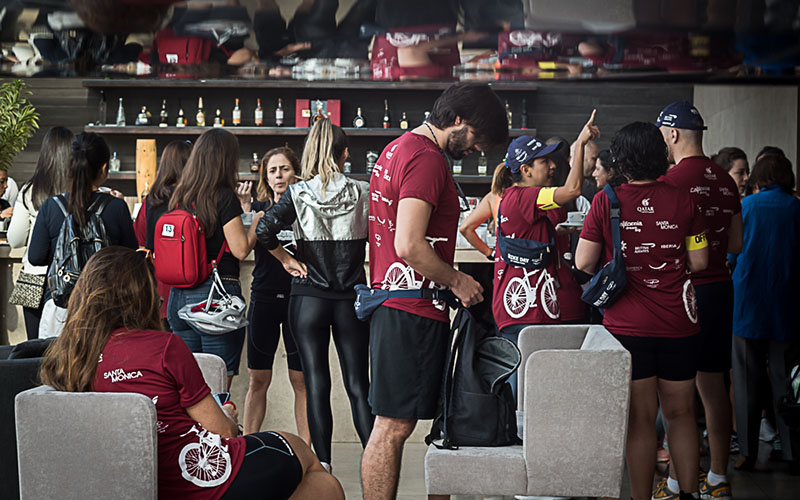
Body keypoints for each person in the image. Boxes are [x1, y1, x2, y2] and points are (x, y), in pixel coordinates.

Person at [39, 246, 344, 500]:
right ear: (141, 295)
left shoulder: (69, 357)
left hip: (139, 481)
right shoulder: (163, 347)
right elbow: (223, 432)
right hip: (199, 479)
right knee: (310, 464)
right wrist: (228, 415)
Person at [362, 82, 508, 500]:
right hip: (411, 307)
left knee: (392, 425)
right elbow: (409, 244)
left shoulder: (396, 149)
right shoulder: (426, 159)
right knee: (393, 427)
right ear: (457, 120)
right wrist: (458, 280)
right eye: (476, 137)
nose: (477, 149)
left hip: (395, 303)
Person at [575, 121, 709, 500]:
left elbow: (584, 262)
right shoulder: (685, 200)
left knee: (640, 420)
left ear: (620, 159)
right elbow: (699, 262)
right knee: (682, 414)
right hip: (679, 324)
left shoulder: (606, 201)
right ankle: (689, 494)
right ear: (660, 155)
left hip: (627, 327)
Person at [256, 119, 372, 471]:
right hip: (351, 299)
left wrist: (286, 259)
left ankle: (324, 468)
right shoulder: (363, 191)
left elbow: (264, 229)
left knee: (317, 384)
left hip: (308, 299)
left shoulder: (298, 192)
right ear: (345, 154)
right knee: (358, 385)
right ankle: (374, 461)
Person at [656, 101, 743, 500]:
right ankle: (718, 478)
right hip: (721, 288)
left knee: (680, 392)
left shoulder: (670, 180)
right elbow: (736, 244)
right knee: (714, 386)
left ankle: (677, 482)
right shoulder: (725, 179)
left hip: (687, 291)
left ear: (672, 134)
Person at [491, 115, 598, 399]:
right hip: (526, 310)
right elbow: (573, 190)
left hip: (537, 309)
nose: (552, 166)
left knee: (540, 390)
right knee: (525, 392)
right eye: (544, 161)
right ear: (525, 170)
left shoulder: (529, 198)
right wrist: (580, 145)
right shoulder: (523, 196)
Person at [166, 128, 262, 390]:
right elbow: (240, 249)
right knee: (217, 387)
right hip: (215, 299)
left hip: (179, 298)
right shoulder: (223, 196)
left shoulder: (180, 197)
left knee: (190, 388)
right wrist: (256, 222)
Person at [28, 132, 138, 338]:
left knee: (60, 358)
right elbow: (131, 256)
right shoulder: (117, 207)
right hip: (107, 307)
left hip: (61, 306)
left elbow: (36, 257)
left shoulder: (51, 206)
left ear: (70, 166)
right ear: (104, 168)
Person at [731, 154, 800, 473]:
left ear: (759, 178)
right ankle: (791, 451)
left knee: (746, 382)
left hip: (748, 305)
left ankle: (746, 452)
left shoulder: (746, 207)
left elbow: (732, 252)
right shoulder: (796, 209)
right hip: (787, 307)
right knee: (786, 382)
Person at [239, 146, 310, 443]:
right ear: (265, 178)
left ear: (296, 173)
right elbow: (243, 246)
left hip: (299, 299)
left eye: (284, 169)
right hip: (264, 298)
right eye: (272, 171)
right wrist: (247, 211)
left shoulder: (307, 209)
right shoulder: (259, 211)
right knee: (258, 380)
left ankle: (308, 454)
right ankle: (246, 449)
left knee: (301, 381)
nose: (278, 175)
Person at [7, 126, 74, 340]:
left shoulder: (29, 191)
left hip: (34, 276)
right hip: (74, 276)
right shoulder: (83, 192)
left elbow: (15, 240)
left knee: (35, 345)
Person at [134, 140, 193, 324]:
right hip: (193, 289)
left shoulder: (151, 200)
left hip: (159, 289)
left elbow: (140, 239)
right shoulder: (197, 199)